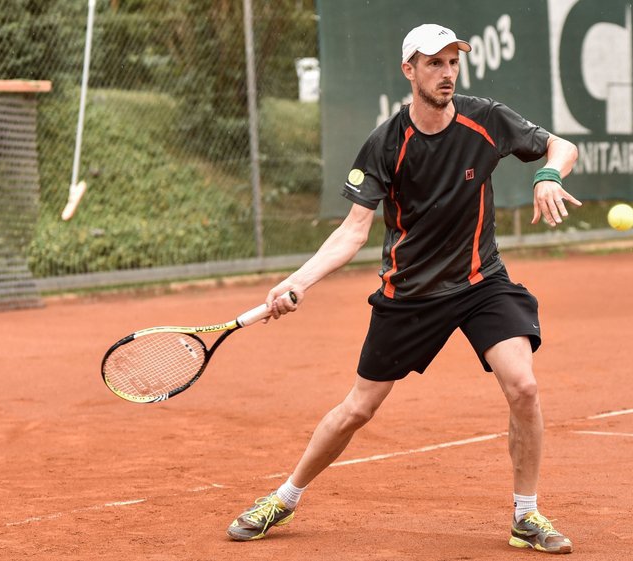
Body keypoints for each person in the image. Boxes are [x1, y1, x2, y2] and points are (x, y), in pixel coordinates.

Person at [226, 23, 580, 554]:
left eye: (453, 62)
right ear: (408, 70)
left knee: (523, 387)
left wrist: (549, 175)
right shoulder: (385, 144)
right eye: (434, 63)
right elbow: (352, 230)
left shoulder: (486, 119)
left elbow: (561, 146)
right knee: (358, 410)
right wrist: (298, 281)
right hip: (409, 294)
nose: (447, 73)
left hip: (481, 282)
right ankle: (284, 496)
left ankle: (525, 516)